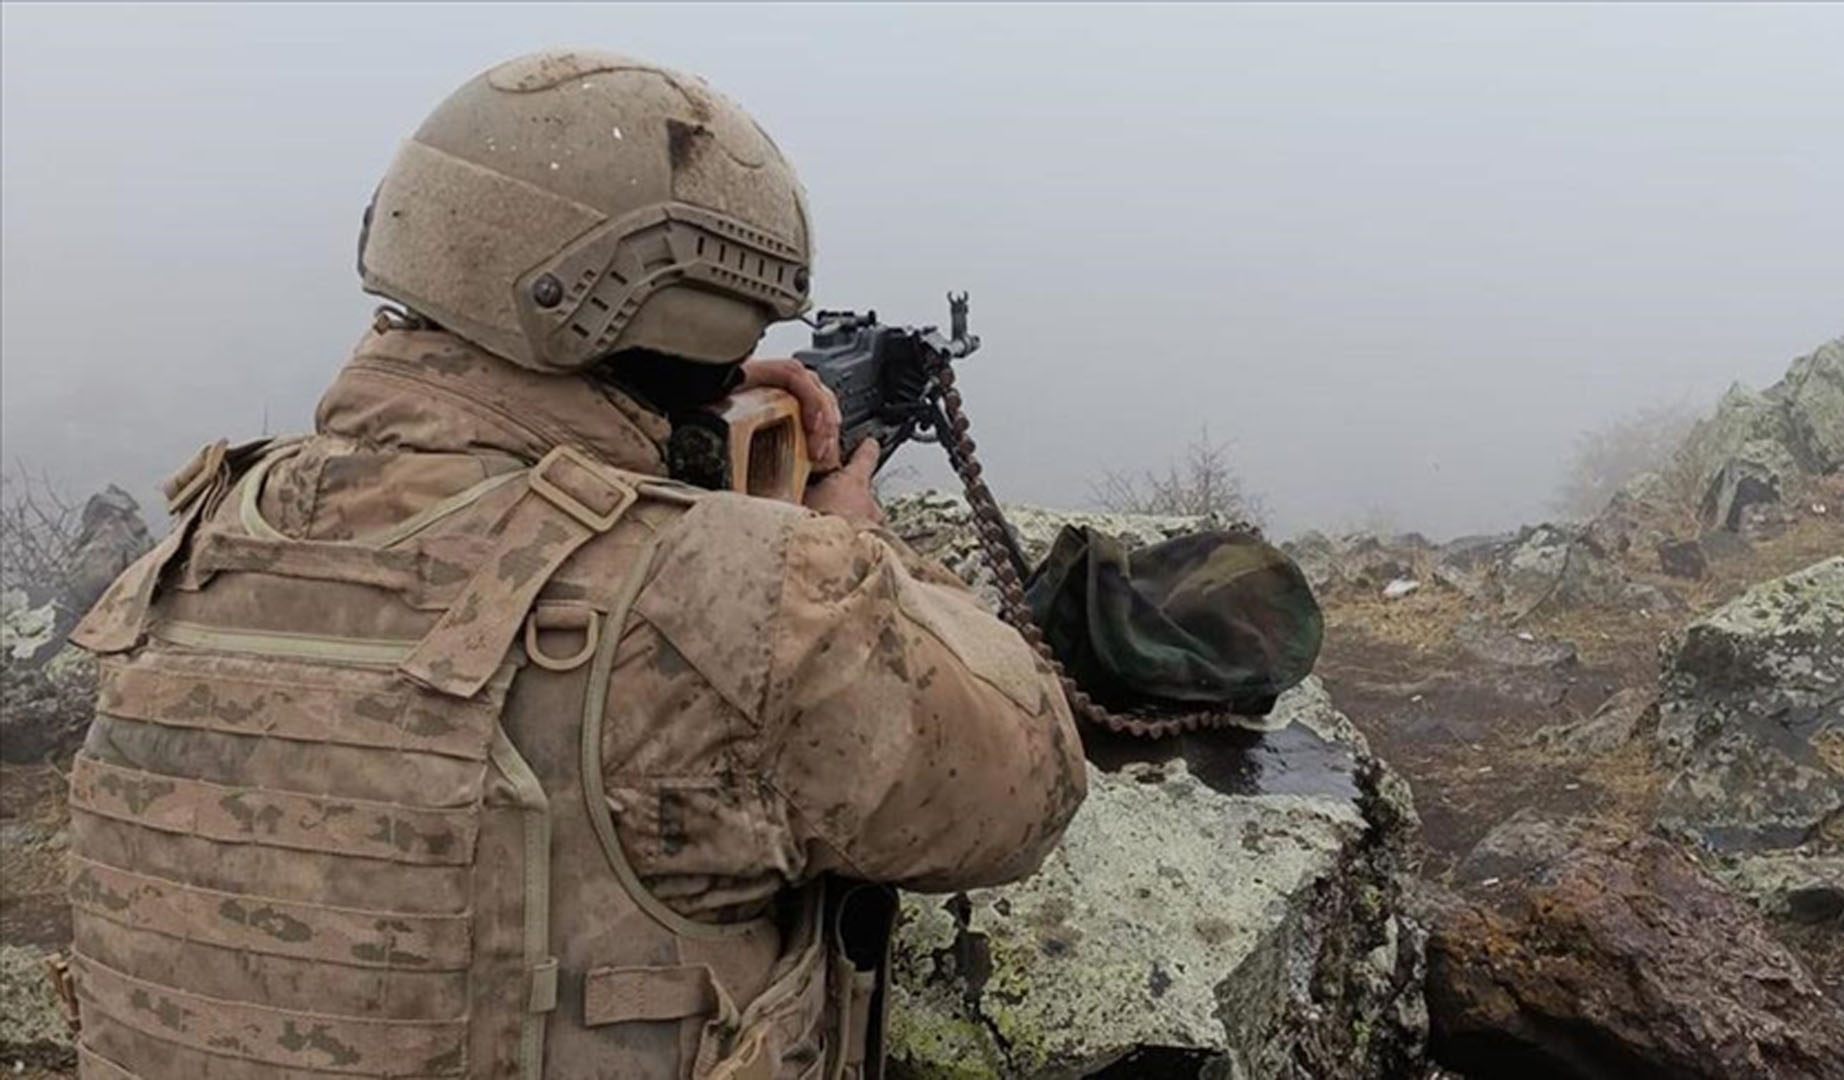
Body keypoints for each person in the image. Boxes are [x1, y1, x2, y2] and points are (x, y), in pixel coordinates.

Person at [63, 48, 1085, 1080]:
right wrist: (853, 541)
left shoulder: (196, 551)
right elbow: (1024, 793)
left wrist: (674, 449)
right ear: (690, 302)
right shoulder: (746, 597)